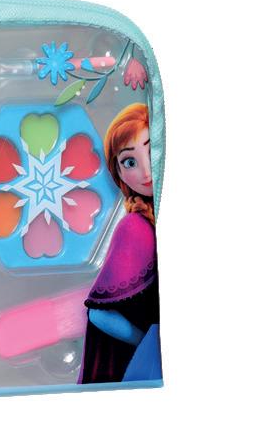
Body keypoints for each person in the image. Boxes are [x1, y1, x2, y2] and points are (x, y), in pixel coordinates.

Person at [79, 103, 161, 384]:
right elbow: (100, 314)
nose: (146, 171)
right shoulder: (135, 228)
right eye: (129, 162)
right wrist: (148, 341)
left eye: (153, 151)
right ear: (119, 174)